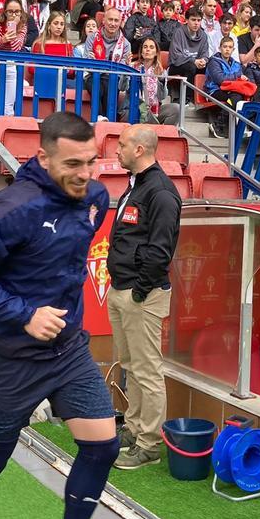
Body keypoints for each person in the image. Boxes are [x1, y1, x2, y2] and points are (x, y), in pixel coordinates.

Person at [0, 112, 117, 519]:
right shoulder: (11, 208)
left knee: (103, 446)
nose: (85, 175)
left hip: (69, 351)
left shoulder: (96, 198)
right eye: (72, 165)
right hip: (11, 358)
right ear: (43, 157)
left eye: (90, 162)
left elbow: (71, 254)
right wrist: (26, 313)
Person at [107, 125, 182, 470]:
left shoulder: (161, 192)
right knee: (131, 366)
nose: (116, 151)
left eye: (122, 146)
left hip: (142, 295)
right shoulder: (135, 185)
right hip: (122, 289)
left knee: (147, 370)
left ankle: (149, 443)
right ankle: (134, 428)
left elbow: (161, 249)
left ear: (140, 149)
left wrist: (139, 290)